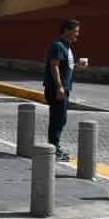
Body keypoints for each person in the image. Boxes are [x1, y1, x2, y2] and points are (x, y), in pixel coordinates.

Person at [45, 18, 82, 161]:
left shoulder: (66, 46)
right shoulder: (58, 45)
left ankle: (55, 148)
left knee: (61, 119)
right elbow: (54, 65)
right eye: (76, 31)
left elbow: (66, 66)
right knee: (57, 119)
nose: (77, 35)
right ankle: (53, 150)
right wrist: (59, 86)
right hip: (57, 89)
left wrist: (77, 65)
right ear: (67, 30)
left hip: (64, 88)